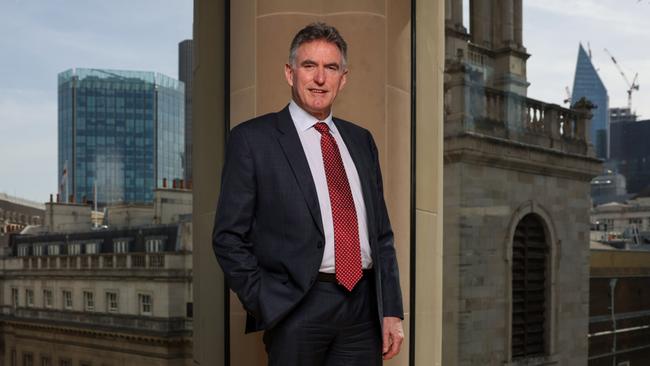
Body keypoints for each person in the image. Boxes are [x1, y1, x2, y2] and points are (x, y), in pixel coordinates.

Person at [212, 22, 404, 365]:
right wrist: (266, 301)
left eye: (330, 68)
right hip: (297, 307)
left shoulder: (361, 141)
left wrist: (390, 309)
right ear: (290, 73)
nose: (320, 78)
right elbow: (228, 237)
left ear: (343, 78)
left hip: (363, 309)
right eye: (309, 66)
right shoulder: (253, 140)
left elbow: (382, 236)